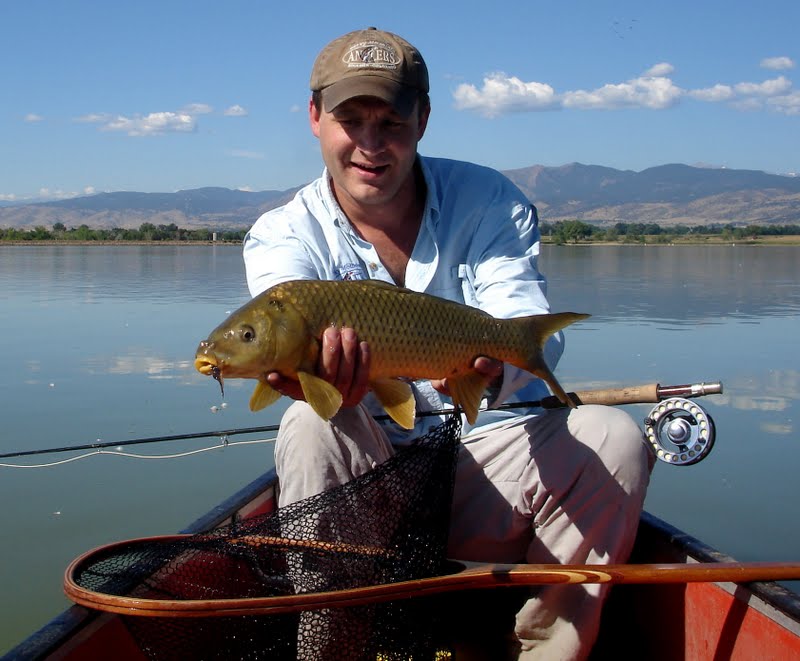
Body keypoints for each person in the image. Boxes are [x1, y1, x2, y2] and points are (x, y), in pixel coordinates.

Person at [243, 27, 653, 660]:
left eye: (393, 121)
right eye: (351, 120)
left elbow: (518, 310)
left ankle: (547, 647)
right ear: (315, 117)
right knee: (308, 422)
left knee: (616, 438)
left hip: (483, 463)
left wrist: (495, 368)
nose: (371, 146)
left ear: (424, 119)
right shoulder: (280, 236)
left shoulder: (488, 199)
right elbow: (278, 335)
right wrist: (315, 381)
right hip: (364, 489)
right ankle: (335, 647)